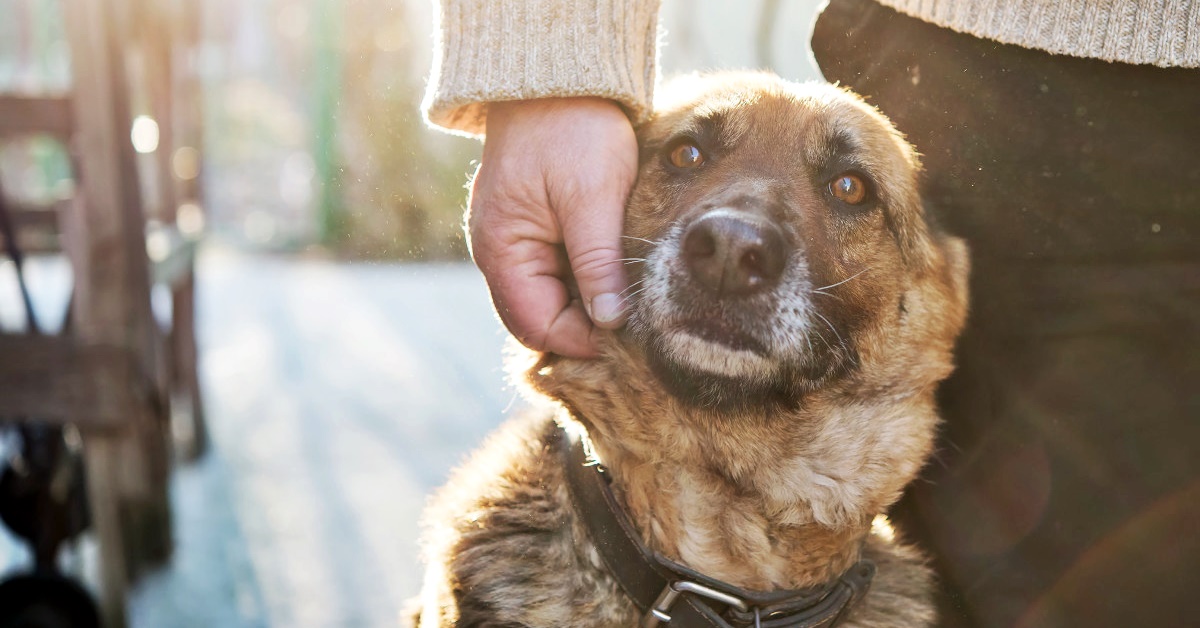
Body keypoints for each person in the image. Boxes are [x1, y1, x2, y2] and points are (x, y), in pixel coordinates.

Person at [423, 1, 1200, 626]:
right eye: (688, 157)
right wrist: (552, 69)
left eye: (848, 191)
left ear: (936, 289)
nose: (734, 235)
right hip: (962, 67)